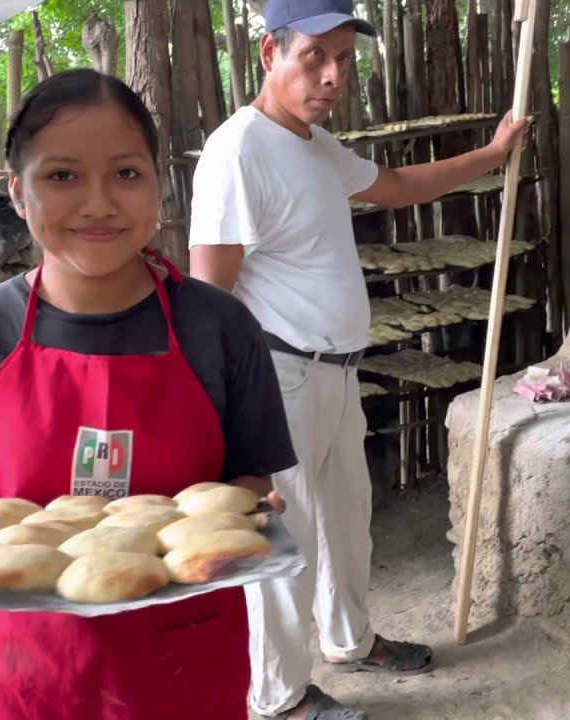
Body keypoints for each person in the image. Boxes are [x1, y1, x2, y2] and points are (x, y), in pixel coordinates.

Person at [0, 68, 297, 720]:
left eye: (126, 174)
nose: (98, 203)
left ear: (158, 184)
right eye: (62, 176)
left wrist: (252, 510)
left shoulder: (221, 328)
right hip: (31, 673)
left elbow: (250, 482)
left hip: (186, 660)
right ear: (18, 193)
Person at [187, 1, 532, 718]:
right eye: (315, 55)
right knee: (284, 541)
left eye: (344, 58)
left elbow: (399, 187)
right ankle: (278, 698)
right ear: (268, 55)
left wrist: (492, 156)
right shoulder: (238, 150)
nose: (333, 74)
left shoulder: (313, 145)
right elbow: (207, 296)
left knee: (346, 519)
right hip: (274, 377)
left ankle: (350, 641)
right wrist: (216, 412)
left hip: (336, 371)